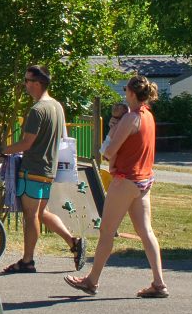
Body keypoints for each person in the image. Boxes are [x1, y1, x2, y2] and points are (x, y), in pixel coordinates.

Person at [65, 75, 168, 299]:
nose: (124, 94)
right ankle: (159, 283)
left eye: (125, 90)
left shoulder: (131, 118)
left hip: (125, 180)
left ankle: (92, 281)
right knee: (146, 231)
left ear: (131, 93)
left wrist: (112, 128)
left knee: (106, 232)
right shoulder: (147, 116)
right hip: (143, 180)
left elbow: (108, 151)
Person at [0, 64, 82, 274]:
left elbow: (26, 143)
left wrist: (1, 151)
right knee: (41, 212)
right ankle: (73, 243)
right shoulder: (57, 106)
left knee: (31, 215)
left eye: (27, 81)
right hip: (49, 169)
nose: (25, 85)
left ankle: (27, 260)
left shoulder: (37, 110)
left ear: (38, 83)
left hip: (32, 169)